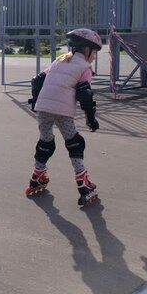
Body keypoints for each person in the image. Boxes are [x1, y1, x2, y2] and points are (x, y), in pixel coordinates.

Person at [25, 28, 102, 208]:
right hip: (62, 111)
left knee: (45, 143)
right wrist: (91, 119)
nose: (95, 57)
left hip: (43, 108)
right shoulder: (85, 67)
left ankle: (37, 176)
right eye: (95, 52)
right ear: (86, 50)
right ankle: (83, 184)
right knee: (75, 143)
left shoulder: (58, 60)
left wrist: (38, 102)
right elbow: (85, 95)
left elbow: (37, 81)